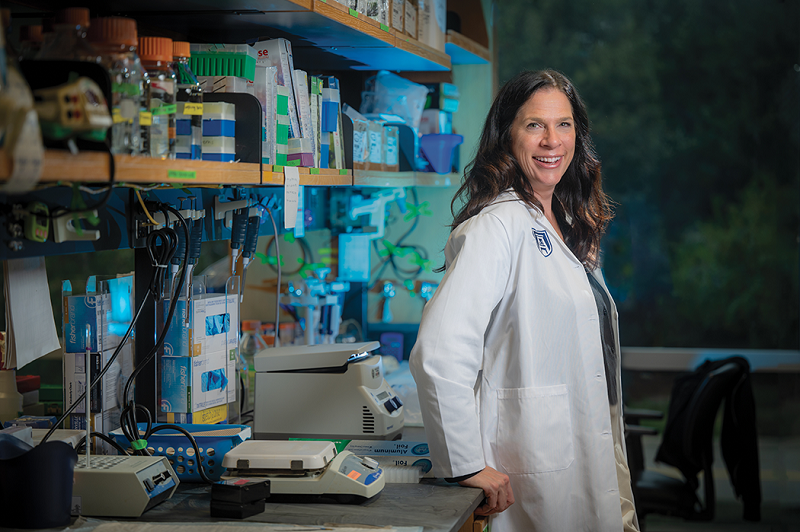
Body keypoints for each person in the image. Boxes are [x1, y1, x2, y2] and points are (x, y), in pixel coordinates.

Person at [409, 70, 639, 531]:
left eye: (564, 124)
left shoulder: (567, 222)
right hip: (533, 464)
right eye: (534, 125)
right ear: (506, 136)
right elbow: (438, 353)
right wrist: (466, 464)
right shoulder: (497, 226)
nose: (552, 140)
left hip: (587, 440)